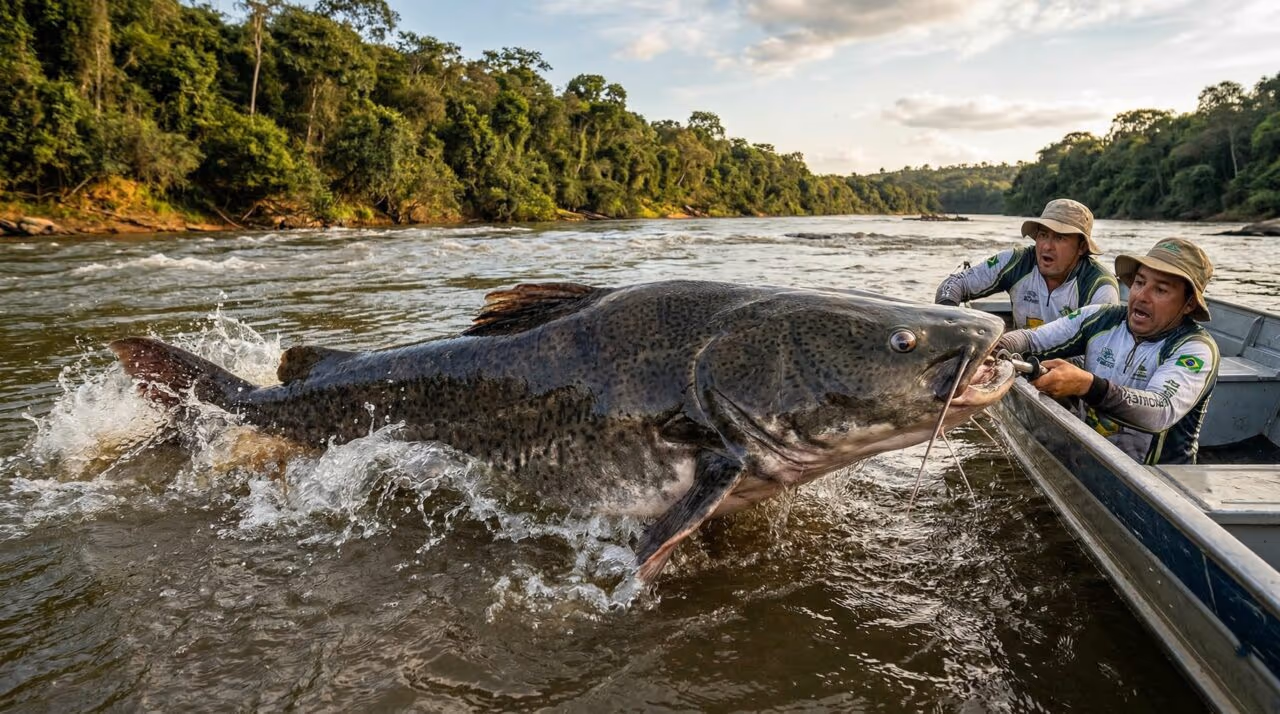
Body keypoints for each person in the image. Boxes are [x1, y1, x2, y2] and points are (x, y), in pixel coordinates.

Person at [994, 237, 1219, 465]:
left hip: (1156, 476)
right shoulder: (1100, 318)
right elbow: (1031, 338)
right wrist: (996, 348)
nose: (1142, 296)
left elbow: (1159, 412)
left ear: (1189, 304)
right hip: (1093, 458)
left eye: (1160, 290)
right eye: (1139, 283)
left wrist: (1086, 385)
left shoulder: (1195, 348)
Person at [935, 198, 1119, 328]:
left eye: (1060, 238)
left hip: (1069, 370)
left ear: (1081, 247)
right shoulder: (1017, 261)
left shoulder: (1099, 286)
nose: (1046, 246)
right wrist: (948, 319)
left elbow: (1100, 349)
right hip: (1017, 360)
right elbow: (954, 283)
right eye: (1043, 235)